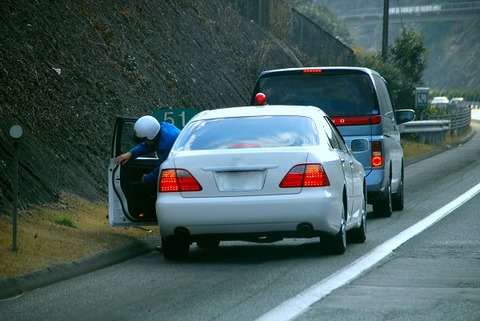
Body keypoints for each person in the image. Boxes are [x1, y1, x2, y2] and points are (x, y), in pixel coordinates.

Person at [114, 115, 181, 185]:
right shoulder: (162, 128)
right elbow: (150, 144)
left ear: (151, 138)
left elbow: (162, 168)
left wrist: (147, 179)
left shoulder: (166, 145)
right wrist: (130, 153)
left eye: (145, 140)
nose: (144, 143)